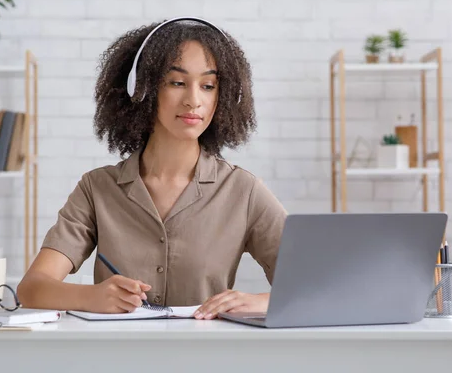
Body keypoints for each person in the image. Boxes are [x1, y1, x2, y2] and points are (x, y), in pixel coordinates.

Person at [17, 17, 288, 320]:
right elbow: (32, 289)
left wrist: (263, 300)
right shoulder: (97, 188)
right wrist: (91, 295)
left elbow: (316, 286)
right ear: (141, 89)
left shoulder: (243, 191)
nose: (193, 100)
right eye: (177, 82)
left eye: (208, 86)